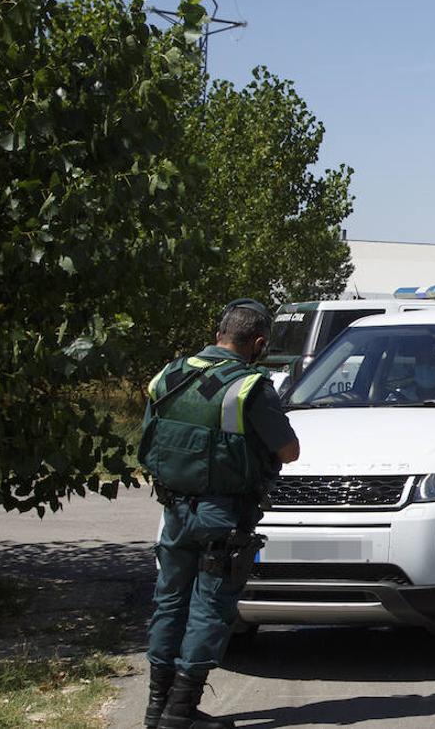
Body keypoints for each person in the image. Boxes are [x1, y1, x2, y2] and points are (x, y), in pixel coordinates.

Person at [139, 299, 300, 729]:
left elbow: (149, 437)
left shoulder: (171, 374)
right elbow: (289, 450)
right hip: (222, 514)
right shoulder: (250, 387)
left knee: (170, 600)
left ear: (218, 335)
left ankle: (156, 708)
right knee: (210, 605)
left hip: (174, 506)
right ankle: (180, 713)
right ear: (259, 344)